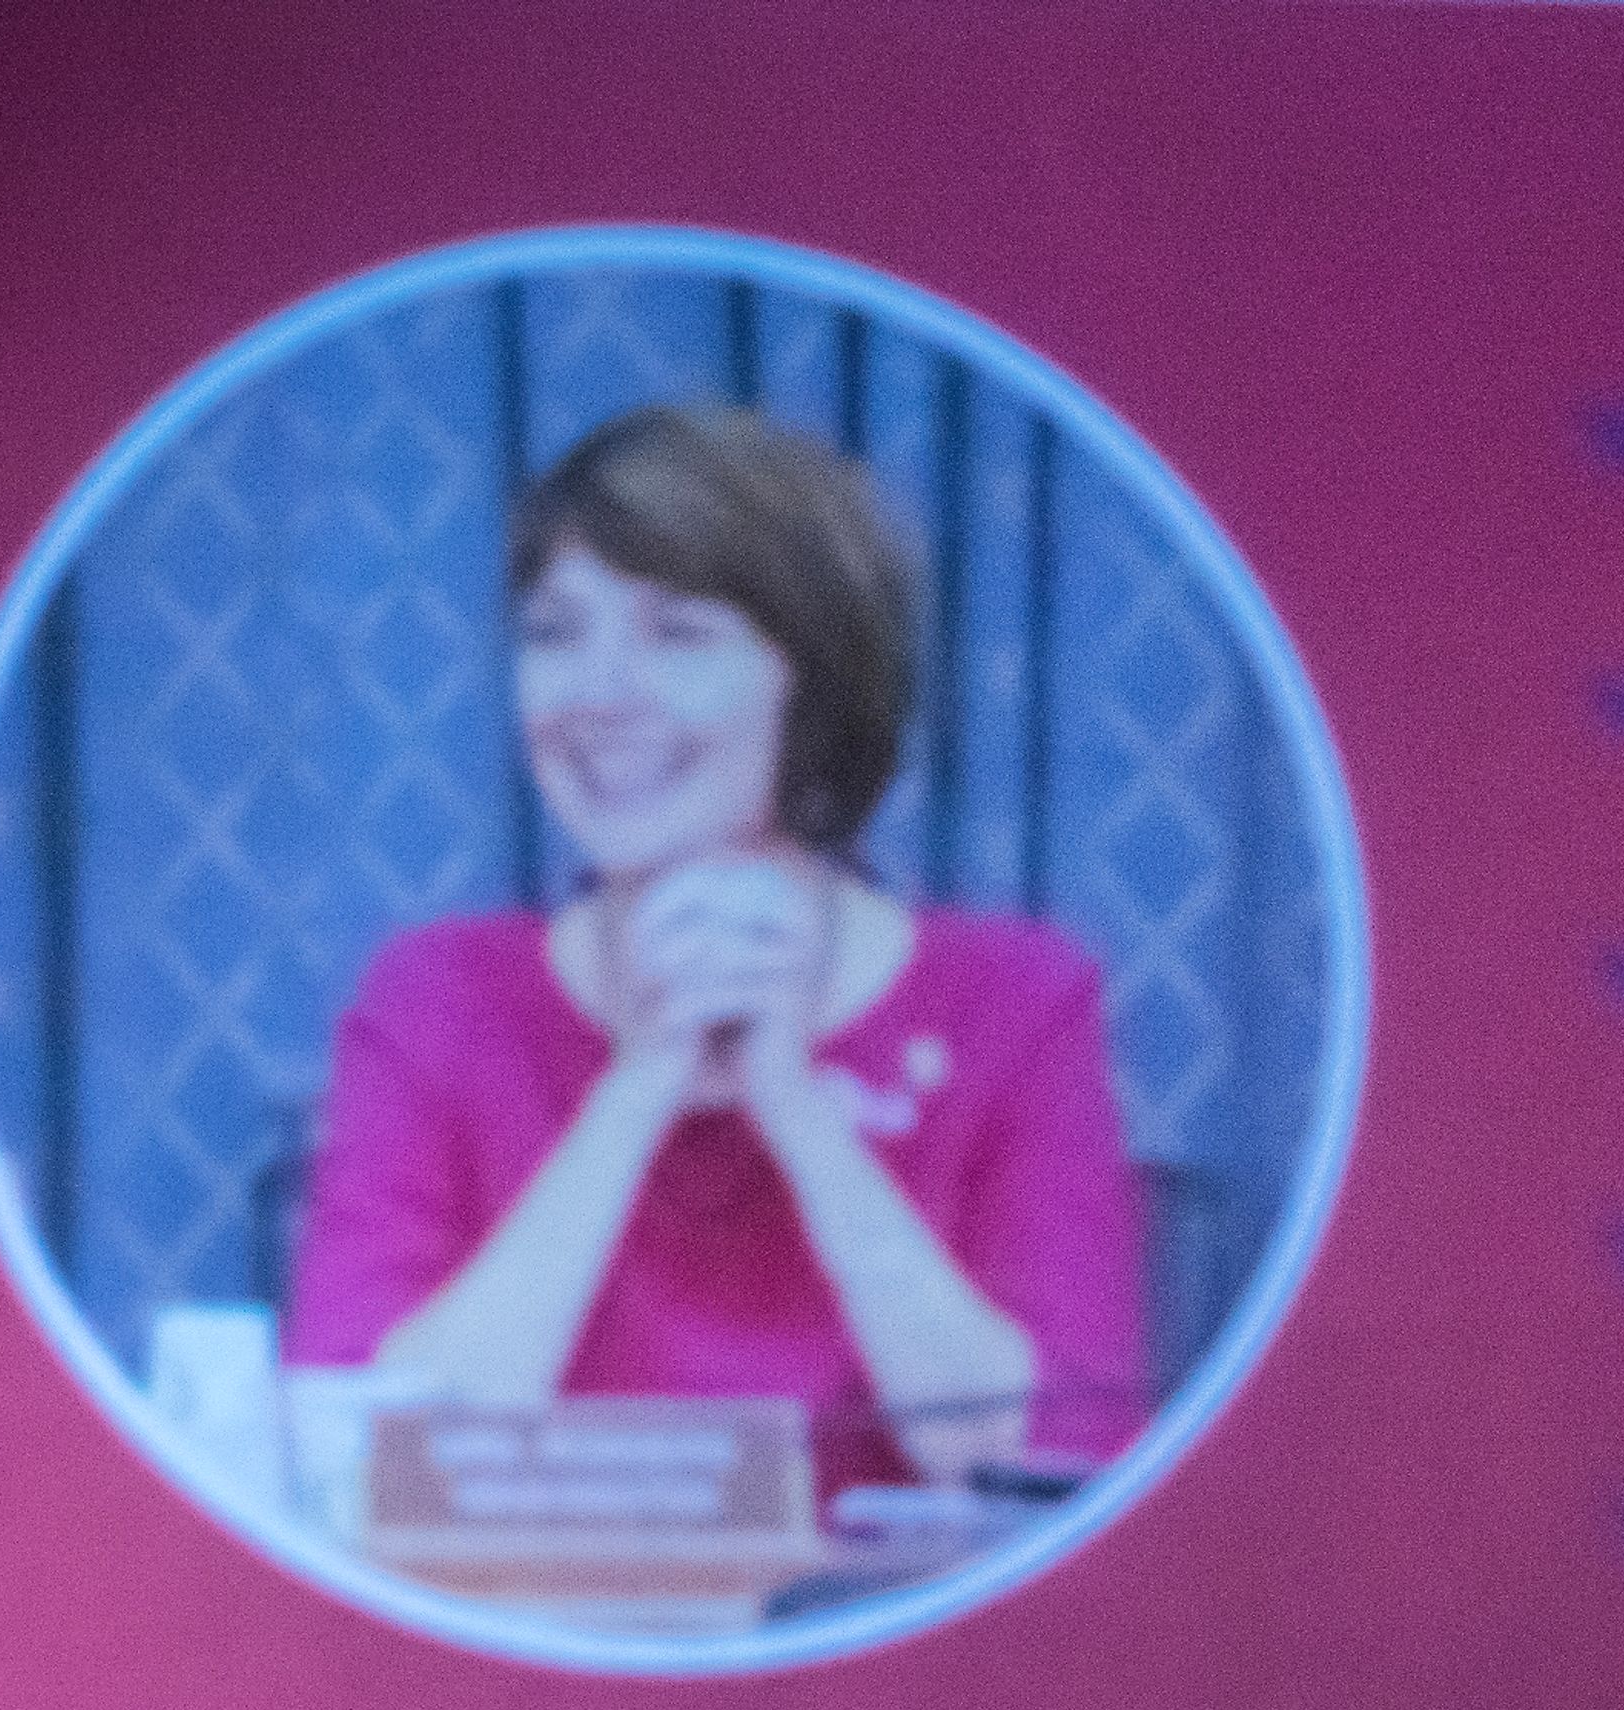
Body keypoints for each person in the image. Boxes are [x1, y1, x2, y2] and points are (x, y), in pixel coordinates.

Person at [286, 404, 1145, 1497]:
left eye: (678, 635)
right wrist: (635, 1091)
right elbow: (363, 1465)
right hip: (525, 1653)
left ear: (814, 682)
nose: (596, 696)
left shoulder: (1018, 1001)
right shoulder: (435, 998)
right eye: (556, 633)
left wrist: (796, 1107)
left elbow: (1053, 1468)